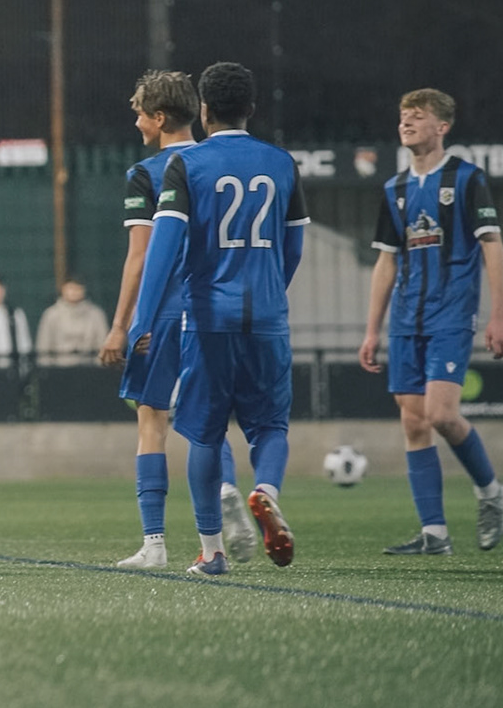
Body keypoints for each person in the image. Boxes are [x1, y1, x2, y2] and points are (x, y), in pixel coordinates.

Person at [126, 62, 307, 575]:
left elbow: (162, 249)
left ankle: (212, 552)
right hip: (267, 316)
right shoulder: (282, 163)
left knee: (204, 433)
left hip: (207, 316)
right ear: (251, 108)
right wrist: (270, 291)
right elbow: (293, 247)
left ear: (204, 111)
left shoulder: (186, 165)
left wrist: (142, 319)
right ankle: (266, 490)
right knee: (270, 426)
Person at [99, 71, 248, 568]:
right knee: (207, 423)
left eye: (141, 114)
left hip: (163, 312)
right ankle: (223, 499)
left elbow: (141, 256)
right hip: (212, 309)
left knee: (152, 420)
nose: (137, 122)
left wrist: (121, 325)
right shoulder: (218, 164)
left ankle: (155, 544)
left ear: (160, 118)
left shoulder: (148, 172)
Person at [359, 89, 503, 556]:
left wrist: (499, 315)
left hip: (451, 314)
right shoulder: (394, 188)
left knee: (442, 414)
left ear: (442, 127)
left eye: (417, 116)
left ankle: (490, 491)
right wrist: (372, 329)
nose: (406, 123)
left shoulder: (467, 178)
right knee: (413, 422)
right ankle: (435, 534)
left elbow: (492, 246)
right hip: (407, 318)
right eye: (403, 116)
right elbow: (386, 261)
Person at [34, 278, 107, 367]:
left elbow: (102, 343)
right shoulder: (51, 314)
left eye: (78, 288)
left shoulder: (96, 314)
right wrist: (47, 369)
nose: (74, 292)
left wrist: (99, 367)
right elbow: (44, 345)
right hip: (58, 369)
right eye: (71, 288)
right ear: (63, 290)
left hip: (89, 368)